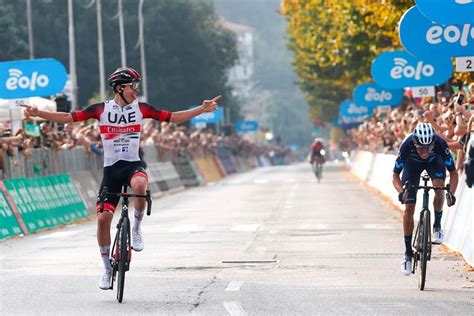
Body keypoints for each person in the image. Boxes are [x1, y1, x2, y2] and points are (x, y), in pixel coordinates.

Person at [20, 67, 221, 289]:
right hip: (111, 170)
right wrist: (39, 113)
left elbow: (172, 118)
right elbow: (68, 117)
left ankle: (135, 228)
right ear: (119, 88)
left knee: (140, 184)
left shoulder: (142, 108)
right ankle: (107, 269)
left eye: (137, 86)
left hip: (133, 164)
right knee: (103, 220)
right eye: (132, 86)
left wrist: (200, 110)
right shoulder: (100, 109)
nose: (136, 91)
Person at [392, 122, 458, 276]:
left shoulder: (440, 143)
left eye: (428, 147)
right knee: (409, 207)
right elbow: (395, 174)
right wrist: (401, 191)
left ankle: (436, 225)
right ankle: (408, 253)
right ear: (414, 143)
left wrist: (452, 193)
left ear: (433, 143)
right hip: (412, 166)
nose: (425, 151)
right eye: (421, 148)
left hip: (435, 163)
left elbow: (453, 173)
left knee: (439, 187)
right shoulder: (406, 145)